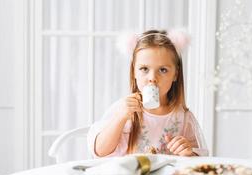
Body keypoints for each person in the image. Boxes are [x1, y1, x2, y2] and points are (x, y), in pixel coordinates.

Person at [87, 29, 208, 157]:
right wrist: (120, 117)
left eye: (162, 70)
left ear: (175, 75)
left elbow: (198, 159)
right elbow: (100, 151)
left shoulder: (183, 118)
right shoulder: (124, 109)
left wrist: (188, 153)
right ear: (134, 71)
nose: (152, 78)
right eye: (144, 69)